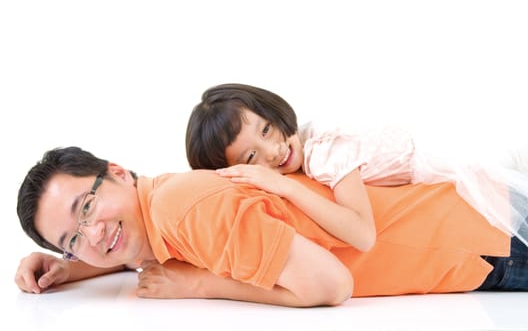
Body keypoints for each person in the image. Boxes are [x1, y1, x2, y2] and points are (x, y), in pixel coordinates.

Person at [14, 146, 528, 307]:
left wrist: (201, 285)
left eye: (86, 208)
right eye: (72, 239)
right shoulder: (162, 204)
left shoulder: (186, 211)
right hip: (475, 217)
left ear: (118, 172)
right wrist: (69, 270)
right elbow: (130, 243)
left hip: (483, 239)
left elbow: (332, 286)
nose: (93, 234)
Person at [185, 83, 528, 248]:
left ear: (275, 112)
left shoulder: (323, 153)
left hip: (474, 163)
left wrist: (285, 185)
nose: (273, 151)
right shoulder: (309, 147)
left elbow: (363, 235)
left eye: (267, 129)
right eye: (251, 157)